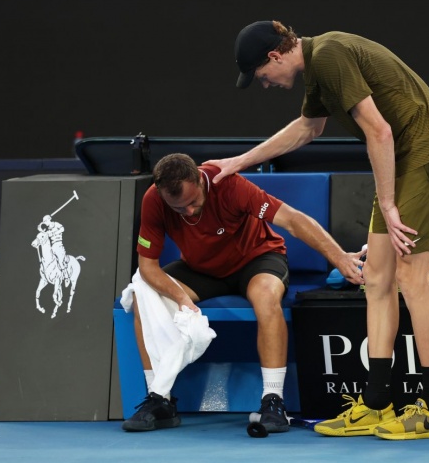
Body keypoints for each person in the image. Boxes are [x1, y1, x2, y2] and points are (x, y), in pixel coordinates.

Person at [205, 20, 429, 440]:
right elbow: (308, 128)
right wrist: (239, 162)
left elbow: (379, 130)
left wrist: (388, 202)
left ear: (274, 56)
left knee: (411, 276)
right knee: (376, 278)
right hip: (404, 160)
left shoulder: (328, 55)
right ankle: (377, 403)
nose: (265, 84)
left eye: (262, 75)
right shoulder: (318, 66)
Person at [121, 152, 365, 433]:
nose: (188, 212)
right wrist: (180, 297)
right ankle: (159, 398)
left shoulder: (228, 184)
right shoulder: (154, 199)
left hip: (257, 260)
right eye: (179, 209)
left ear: (199, 180)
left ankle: (273, 400)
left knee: (266, 296)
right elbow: (147, 267)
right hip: (202, 269)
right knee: (143, 295)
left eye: (193, 202)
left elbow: (292, 219)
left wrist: (339, 257)